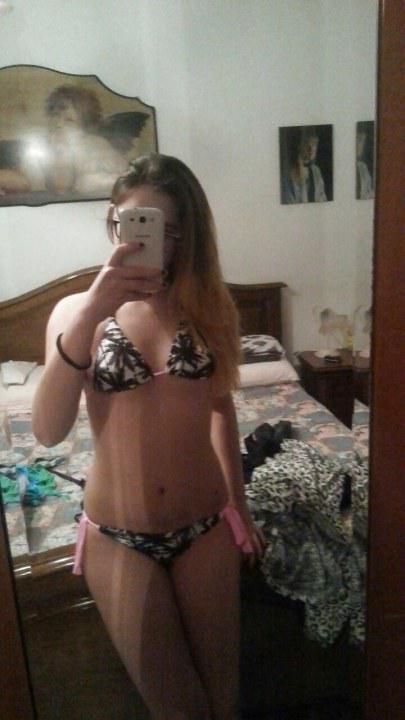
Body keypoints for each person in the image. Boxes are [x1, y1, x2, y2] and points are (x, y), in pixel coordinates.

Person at [32, 153, 265, 720]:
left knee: (224, 704)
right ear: (113, 222)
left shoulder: (210, 309)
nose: (146, 242)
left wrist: (240, 509)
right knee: (180, 712)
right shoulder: (73, 312)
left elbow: (221, 409)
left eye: (165, 230)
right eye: (131, 224)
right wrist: (94, 310)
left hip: (206, 526)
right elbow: (47, 430)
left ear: (186, 237)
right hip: (118, 537)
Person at [282, 126, 328, 204]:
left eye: (314, 144)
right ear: (299, 145)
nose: (311, 149)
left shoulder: (316, 171)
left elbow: (322, 199)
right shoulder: (288, 172)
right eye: (307, 143)